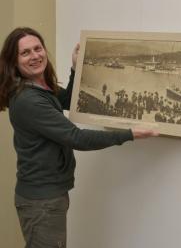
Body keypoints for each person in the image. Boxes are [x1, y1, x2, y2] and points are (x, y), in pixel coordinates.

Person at [0, 27, 159, 248]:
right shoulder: (29, 100)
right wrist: (130, 134)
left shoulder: (38, 86)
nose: (35, 55)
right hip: (42, 201)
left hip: (48, 195)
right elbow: (77, 138)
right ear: (13, 61)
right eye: (25, 52)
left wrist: (75, 68)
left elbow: (67, 99)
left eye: (38, 48)